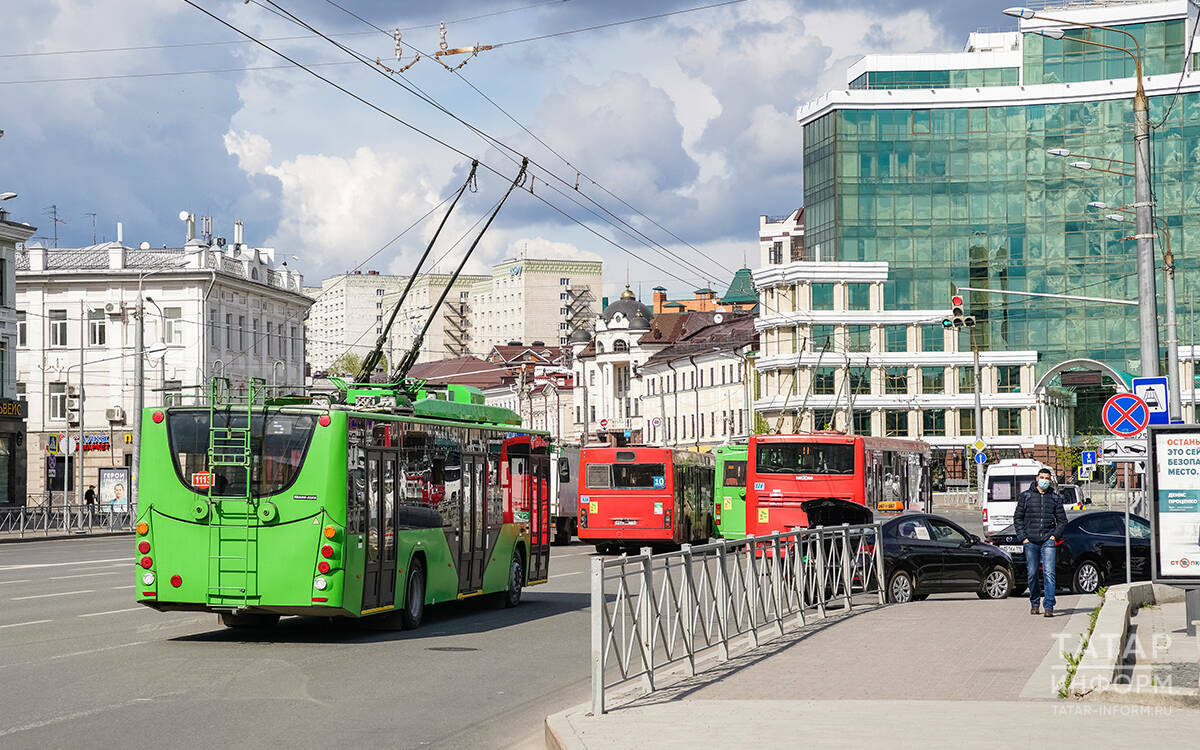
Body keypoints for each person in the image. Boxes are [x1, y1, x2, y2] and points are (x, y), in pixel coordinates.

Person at [1014, 467, 1068, 617]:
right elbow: (1018, 518)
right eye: (1042, 477)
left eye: (1047, 478)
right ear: (1037, 478)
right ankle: (1035, 602)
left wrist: (1054, 536)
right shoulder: (1026, 496)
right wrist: (1023, 537)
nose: (1044, 480)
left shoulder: (1055, 498)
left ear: (1050, 480)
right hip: (1030, 541)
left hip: (1048, 540)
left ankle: (1049, 605)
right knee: (1032, 574)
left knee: (1049, 573)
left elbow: (1062, 521)